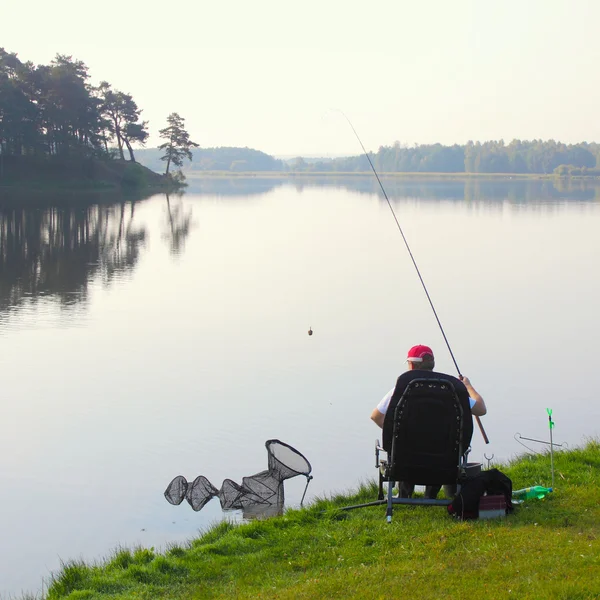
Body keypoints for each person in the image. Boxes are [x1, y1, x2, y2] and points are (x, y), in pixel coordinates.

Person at [370, 344, 487, 498]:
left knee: (405, 445)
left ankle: (405, 495)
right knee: (439, 444)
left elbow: (376, 416)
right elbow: (481, 409)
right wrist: (468, 386)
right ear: (432, 364)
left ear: (411, 365)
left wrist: (396, 434)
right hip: (444, 462)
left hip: (407, 460)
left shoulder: (402, 388)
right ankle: (430, 495)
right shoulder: (451, 389)